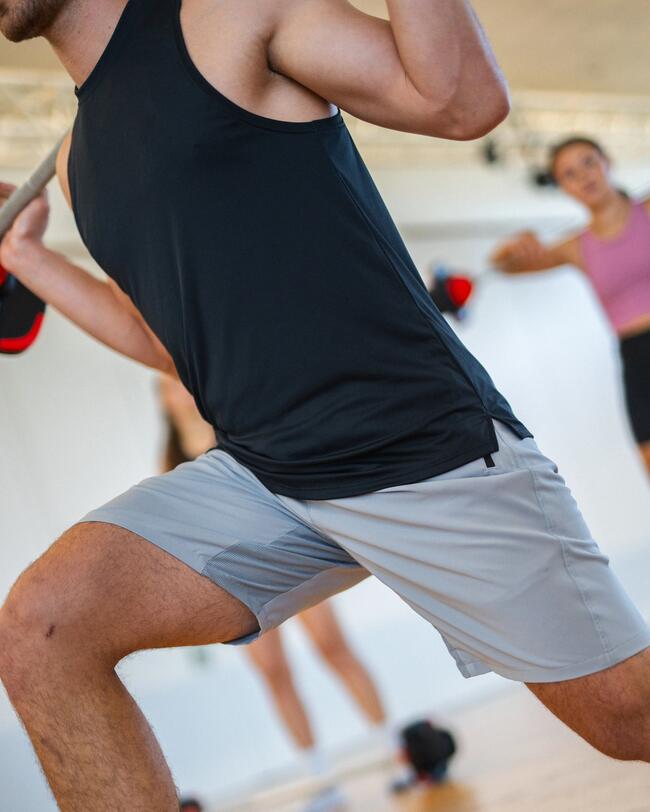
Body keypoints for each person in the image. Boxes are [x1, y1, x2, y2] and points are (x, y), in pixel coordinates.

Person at [0, 3, 648, 810]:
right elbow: (166, 340)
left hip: (415, 447)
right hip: (266, 473)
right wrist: (25, 254)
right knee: (44, 628)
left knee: (626, 718)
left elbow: (461, 103)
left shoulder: (225, 17)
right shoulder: (79, 161)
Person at [160, 374, 393, 812]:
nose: (177, 391)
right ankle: (321, 778)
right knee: (274, 672)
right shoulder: (170, 462)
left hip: (283, 554)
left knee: (332, 647)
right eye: (167, 386)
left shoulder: (234, 433)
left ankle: (394, 749)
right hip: (234, 575)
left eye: (179, 382)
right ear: (164, 400)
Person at [492, 136, 650, 477]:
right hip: (636, 358)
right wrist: (509, 248)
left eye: (588, 162)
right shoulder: (577, 246)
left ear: (607, 161)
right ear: (563, 187)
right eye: (569, 174)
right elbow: (504, 267)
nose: (583, 176)